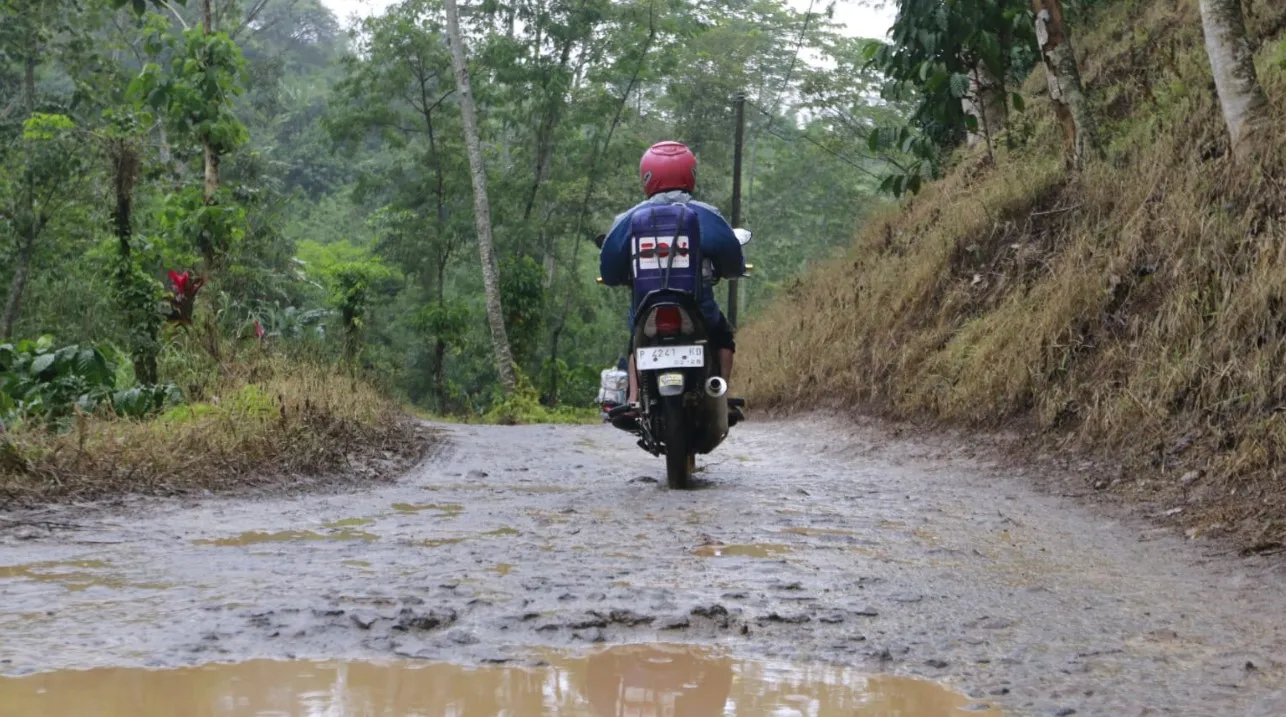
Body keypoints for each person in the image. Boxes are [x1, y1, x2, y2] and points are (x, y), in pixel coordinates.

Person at [598, 140, 745, 427]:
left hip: (646, 308)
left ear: (647, 176)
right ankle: (722, 396)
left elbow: (612, 270)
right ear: (690, 173)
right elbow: (730, 260)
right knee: (723, 335)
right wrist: (730, 270)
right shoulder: (707, 215)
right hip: (697, 307)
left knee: (635, 342)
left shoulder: (627, 219)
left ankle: (634, 399)